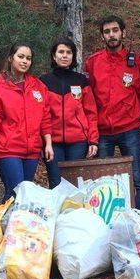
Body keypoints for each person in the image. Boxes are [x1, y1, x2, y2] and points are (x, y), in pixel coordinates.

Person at [84, 15, 140, 211]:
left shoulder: (135, 62)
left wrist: (131, 112)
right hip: (103, 131)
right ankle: (107, 224)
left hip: (129, 130)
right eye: (107, 32)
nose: (111, 35)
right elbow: (88, 97)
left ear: (123, 32)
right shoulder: (93, 62)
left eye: (115, 30)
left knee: (135, 179)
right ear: (102, 36)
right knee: (102, 180)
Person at [0, 42, 54, 202]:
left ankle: (13, 226)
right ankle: (5, 226)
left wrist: (48, 143)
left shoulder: (38, 86)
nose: (24, 61)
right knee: (17, 193)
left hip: (31, 151)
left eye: (28, 58)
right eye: (20, 56)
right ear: (10, 58)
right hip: (7, 149)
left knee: (23, 195)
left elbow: (45, 118)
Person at [40, 36, 99, 188]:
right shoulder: (44, 81)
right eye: (61, 52)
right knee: (56, 183)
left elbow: (91, 113)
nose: (65, 55)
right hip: (52, 142)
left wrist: (93, 140)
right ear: (54, 55)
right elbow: (40, 114)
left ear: (73, 56)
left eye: (68, 52)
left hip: (78, 142)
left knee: (76, 185)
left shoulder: (81, 80)